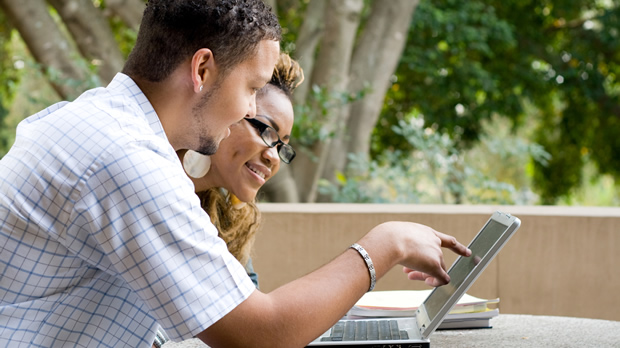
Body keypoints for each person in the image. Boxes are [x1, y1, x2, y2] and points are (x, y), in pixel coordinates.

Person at [0, 1, 470, 348]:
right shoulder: (127, 160)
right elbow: (261, 335)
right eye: (250, 88)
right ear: (203, 68)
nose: (249, 106)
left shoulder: (100, 123)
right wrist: (386, 244)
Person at [179, 52, 304, 290]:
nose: (273, 156)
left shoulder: (229, 211)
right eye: (267, 132)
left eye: (281, 146)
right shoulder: (159, 182)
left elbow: (248, 295)